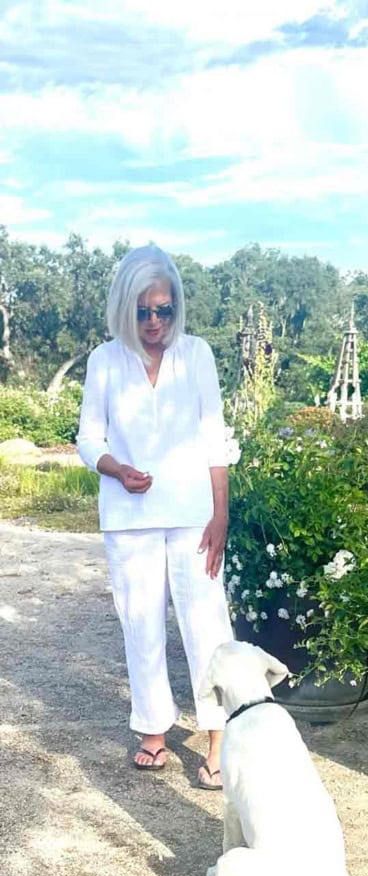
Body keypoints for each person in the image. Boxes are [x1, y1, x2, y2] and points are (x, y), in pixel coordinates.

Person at [77, 244, 233, 789]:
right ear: (126, 307)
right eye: (143, 311)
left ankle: (218, 736)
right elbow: (88, 435)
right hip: (128, 514)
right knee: (140, 623)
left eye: (164, 310)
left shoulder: (198, 355)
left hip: (194, 512)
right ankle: (152, 729)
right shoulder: (104, 360)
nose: (154, 322)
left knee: (206, 623)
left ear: (177, 307)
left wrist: (221, 513)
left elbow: (215, 437)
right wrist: (115, 468)